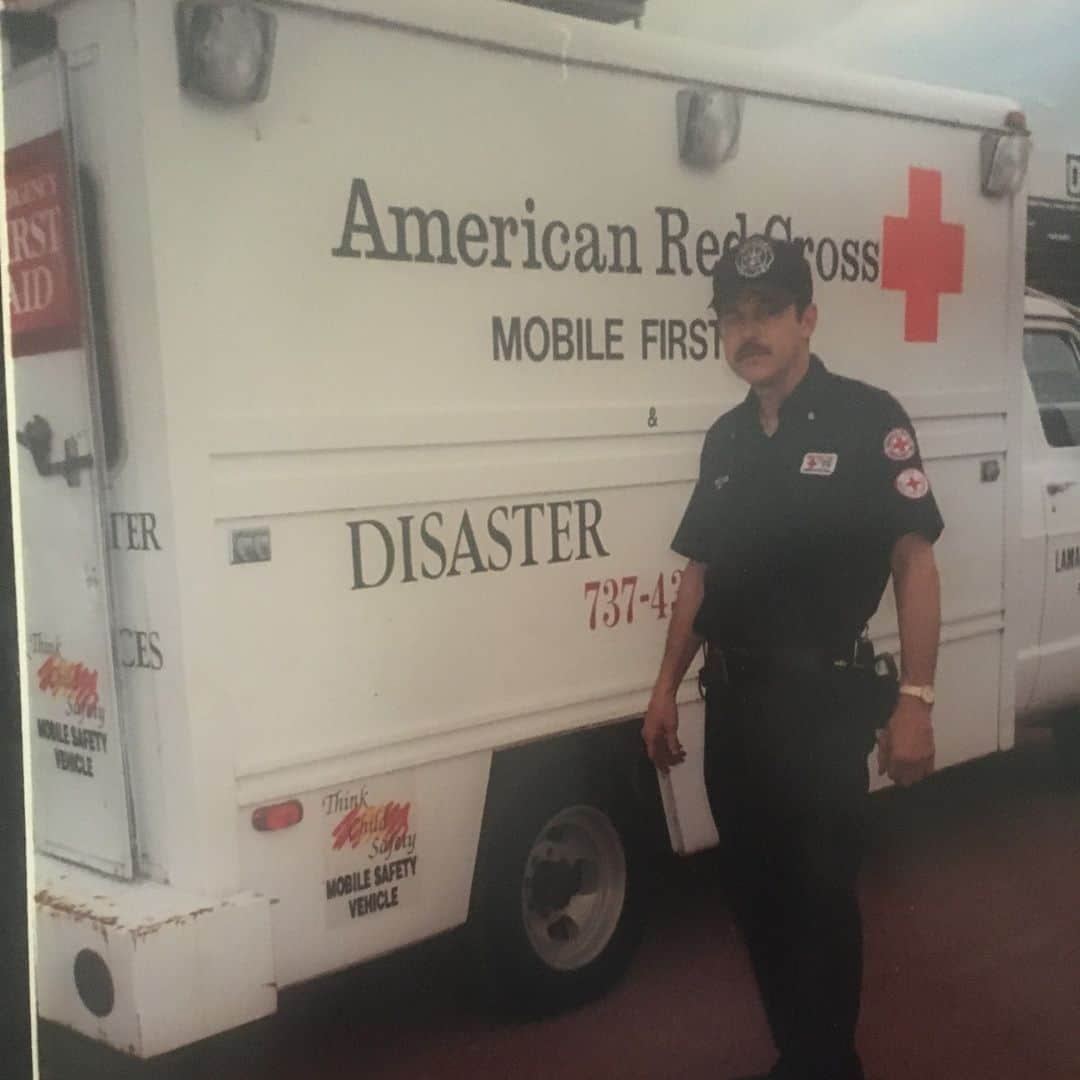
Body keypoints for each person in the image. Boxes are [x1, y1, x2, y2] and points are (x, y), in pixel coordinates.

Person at [642, 235, 942, 1080]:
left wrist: (915, 699)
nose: (750, 330)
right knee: (755, 903)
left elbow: (914, 560)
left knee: (818, 906)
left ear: (807, 319)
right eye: (733, 317)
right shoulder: (727, 442)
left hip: (819, 709)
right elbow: (702, 571)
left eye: (768, 311)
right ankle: (797, 1058)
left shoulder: (868, 418)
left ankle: (826, 1065)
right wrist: (664, 687)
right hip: (734, 711)